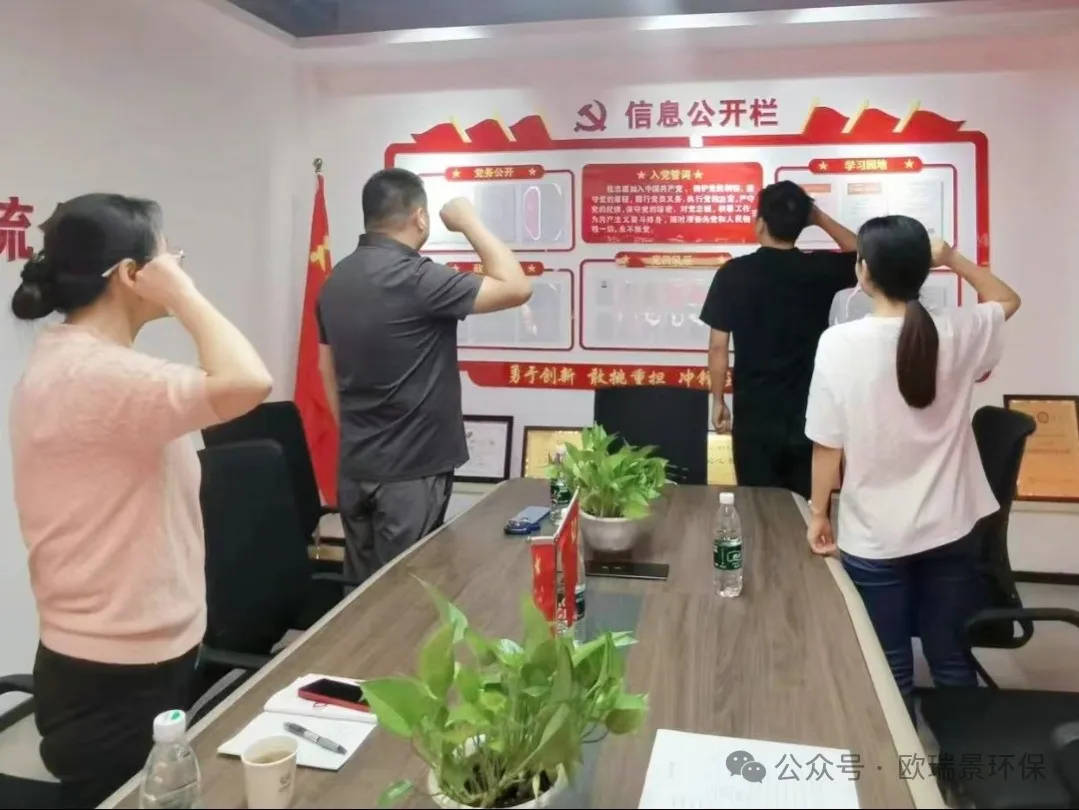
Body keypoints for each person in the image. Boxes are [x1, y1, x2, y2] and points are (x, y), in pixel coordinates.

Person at [9, 194, 273, 806]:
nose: (177, 264)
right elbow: (248, 381)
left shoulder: (85, 364)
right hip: (115, 673)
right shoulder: (95, 375)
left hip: (129, 656)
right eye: (167, 256)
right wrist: (184, 295)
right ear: (132, 274)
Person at [804, 215, 1021, 719]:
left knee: (889, 664)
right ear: (923, 270)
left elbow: (827, 445)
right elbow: (1007, 300)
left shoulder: (839, 343)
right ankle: (967, 760)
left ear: (863, 270)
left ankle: (901, 764)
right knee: (951, 657)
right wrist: (952, 258)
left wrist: (819, 514)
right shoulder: (958, 329)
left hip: (875, 536)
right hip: (951, 527)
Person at [317, 168, 532, 583]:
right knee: (408, 592)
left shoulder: (335, 280)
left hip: (356, 467)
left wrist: (360, 439)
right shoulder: (418, 278)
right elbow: (516, 286)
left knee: (359, 593)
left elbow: (325, 371)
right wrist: (469, 221)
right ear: (419, 217)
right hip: (410, 474)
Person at [700, 180, 858, 499]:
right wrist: (818, 217)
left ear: (760, 223)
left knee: (756, 503)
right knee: (807, 506)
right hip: (808, 414)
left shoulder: (734, 273)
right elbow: (865, 255)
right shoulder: (820, 269)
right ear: (802, 225)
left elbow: (718, 347)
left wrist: (717, 400)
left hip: (754, 417)